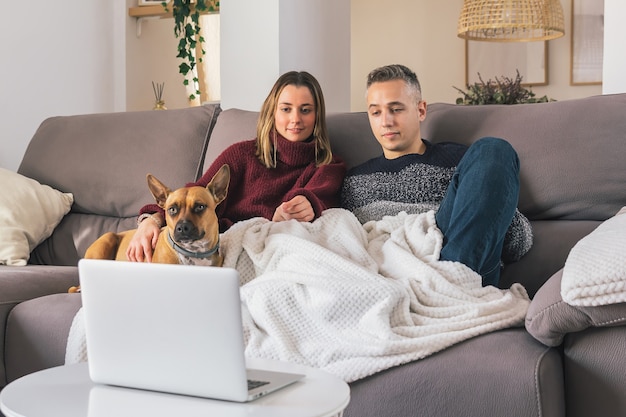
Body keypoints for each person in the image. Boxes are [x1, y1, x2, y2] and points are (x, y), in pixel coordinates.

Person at [341, 64, 532, 287]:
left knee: (493, 148)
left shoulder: (465, 162)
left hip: (465, 267)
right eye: (376, 112)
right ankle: (446, 288)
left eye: (396, 109)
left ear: (421, 110)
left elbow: (520, 242)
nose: (386, 121)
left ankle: (451, 281)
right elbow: (353, 250)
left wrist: (485, 212)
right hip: (400, 279)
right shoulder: (355, 182)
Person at [128, 71, 346, 262]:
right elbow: (195, 193)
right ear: (273, 112)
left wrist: (309, 203)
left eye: (305, 110)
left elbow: (324, 199)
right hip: (227, 250)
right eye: (286, 109)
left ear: (317, 116)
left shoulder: (328, 165)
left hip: (284, 253)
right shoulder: (241, 155)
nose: (295, 119)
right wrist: (151, 220)